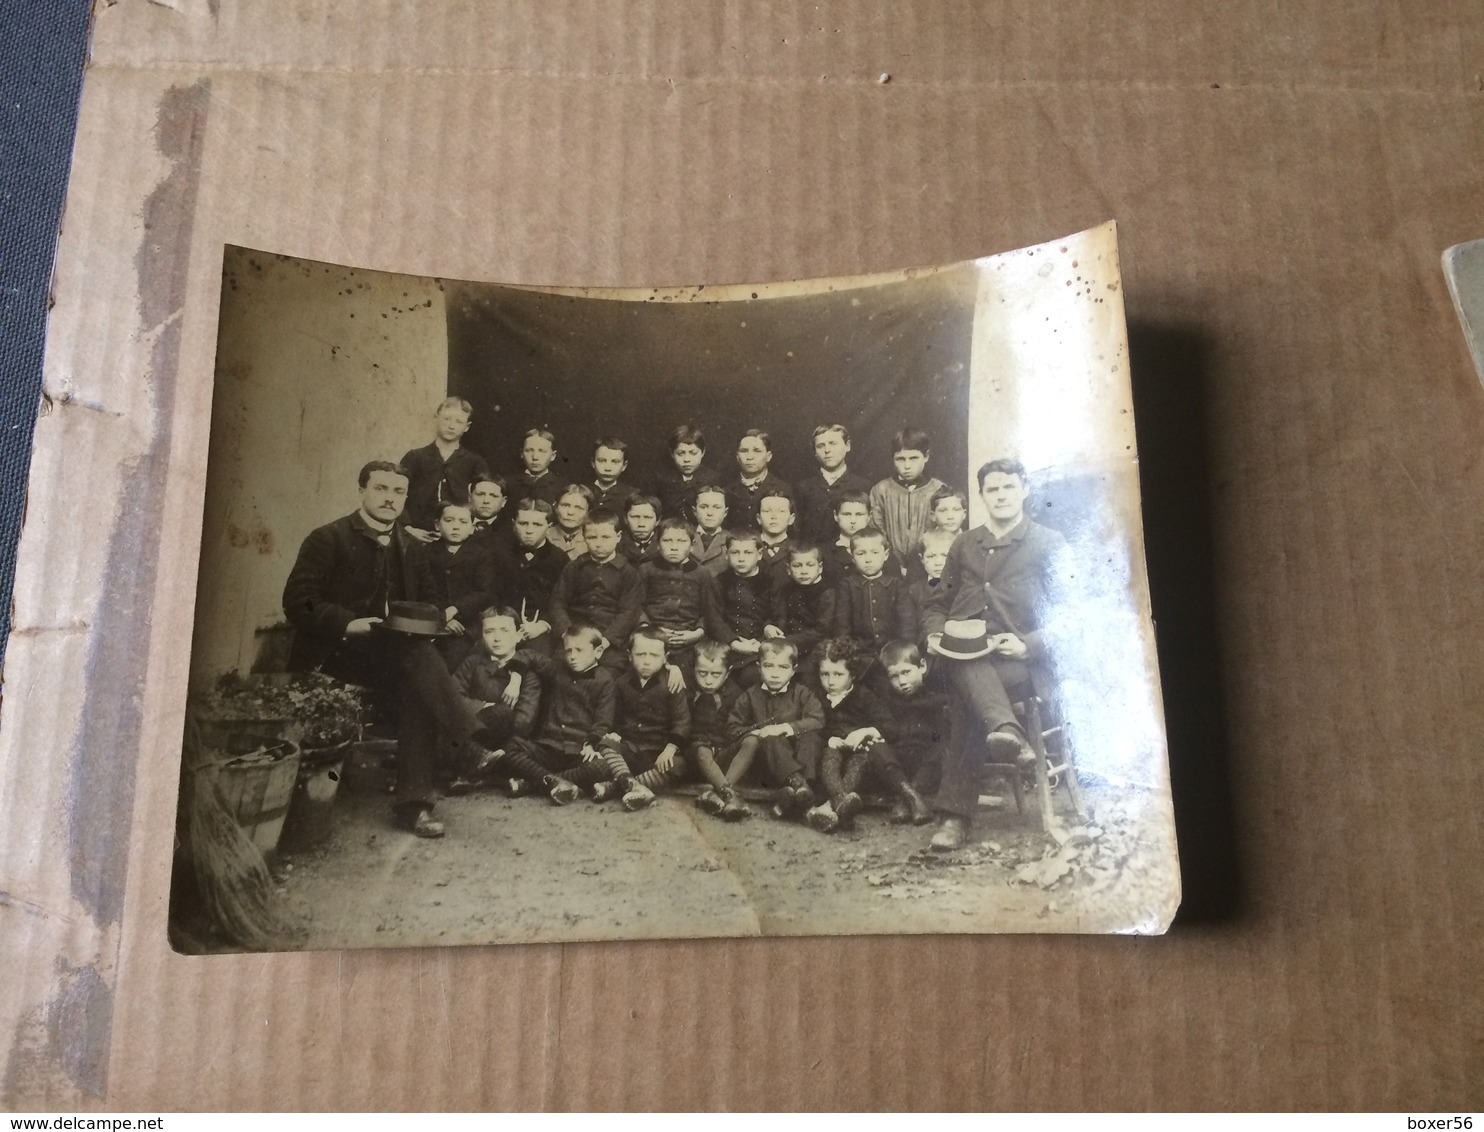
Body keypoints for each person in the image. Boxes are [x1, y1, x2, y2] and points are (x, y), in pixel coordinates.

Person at [281, 460, 492, 839]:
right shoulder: (328, 538)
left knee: (419, 677)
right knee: (420, 668)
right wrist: (348, 622)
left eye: (398, 492)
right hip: (336, 649)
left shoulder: (412, 547)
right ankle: (468, 741)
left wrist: (428, 622)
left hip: (389, 654)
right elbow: (298, 601)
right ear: (361, 491)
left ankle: (414, 808)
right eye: (381, 489)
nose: (389, 499)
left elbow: (429, 600)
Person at [923, 458, 1069, 851]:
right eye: (992, 489)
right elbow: (937, 603)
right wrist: (935, 635)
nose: (1001, 495)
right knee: (966, 668)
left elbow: (1074, 615)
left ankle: (954, 819)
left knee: (966, 691)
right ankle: (1005, 730)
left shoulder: (1048, 542)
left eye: (1008, 487)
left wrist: (1029, 644)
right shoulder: (965, 543)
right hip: (959, 650)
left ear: (1024, 490)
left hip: (1019, 661)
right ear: (982, 496)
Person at [806, 639, 932, 833]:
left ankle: (833, 807)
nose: (831, 681)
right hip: (834, 752)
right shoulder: (818, 698)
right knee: (829, 757)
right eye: (825, 674)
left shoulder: (864, 696)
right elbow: (816, 726)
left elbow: (889, 727)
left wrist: (865, 732)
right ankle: (841, 801)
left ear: (853, 674)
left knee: (863, 758)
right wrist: (831, 740)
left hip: (862, 755)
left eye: (838, 674)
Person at [499, 623, 631, 805]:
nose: (572, 656)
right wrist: (516, 678)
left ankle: (534, 783)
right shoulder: (557, 669)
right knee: (511, 746)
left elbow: (603, 720)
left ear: (598, 651)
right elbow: (526, 654)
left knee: (602, 766)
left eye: (579, 650)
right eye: (568, 651)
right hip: (548, 746)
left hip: (577, 750)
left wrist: (591, 744)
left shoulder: (605, 681)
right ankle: (554, 781)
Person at [724, 638, 824, 819]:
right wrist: (754, 732)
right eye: (769, 666)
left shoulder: (802, 693)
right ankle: (800, 789)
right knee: (769, 736)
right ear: (759, 667)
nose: (775, 674)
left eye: (783, 667)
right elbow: (732, 727)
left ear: (793, 670)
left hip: (800, 762)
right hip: (767, 769)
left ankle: (793, 794)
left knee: (811, 736)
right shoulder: (750, 695)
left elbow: (818, 720)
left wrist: (786, 727)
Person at [446, 606, 544, 789]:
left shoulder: (528, 676)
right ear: (482, 636)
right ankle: (473, 764)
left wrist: (492, 713)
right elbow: (451, 696)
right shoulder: (473, 663)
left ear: (518, 635)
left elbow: (523, 722)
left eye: (505, 631)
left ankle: (468, 768)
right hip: (467, 726)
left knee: (503, 713)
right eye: (489, 631)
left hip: (501, 739)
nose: (497, 638)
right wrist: (483, 706)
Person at [594, 627, 692, 804]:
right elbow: (614, 716)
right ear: (630, 656)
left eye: (654, 656)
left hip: (657, 751)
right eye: (640, 654)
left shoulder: (672, 682)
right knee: (604, 743)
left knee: (679, 765)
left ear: (665, 658)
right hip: (630, 749)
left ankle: (617, 787)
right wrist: (614, 733)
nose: (647, 661)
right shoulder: (621, 683)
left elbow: (682, 722)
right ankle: (632, 785)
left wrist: (669, 749)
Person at [548, 508, 643, 669]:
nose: (598, 543)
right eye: (592, 537)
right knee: (557, 670)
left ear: (618, 537)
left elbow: (628, 613)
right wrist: (566, 634)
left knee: (611, 672)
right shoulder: (574, 567)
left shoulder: (628, 572)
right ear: (584, 537)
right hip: (574, 637)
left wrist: (605, 641)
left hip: (608, 642)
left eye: (605, 537)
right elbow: (558, 602)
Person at [638, 516, 727, 670]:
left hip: (689, 640)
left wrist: (698, 632)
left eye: (681, 541)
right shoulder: (646, 570)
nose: (674, 547)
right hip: (652, 636)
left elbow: (711, 610)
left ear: (692, 546)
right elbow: (636, 605)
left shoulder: (702, 574)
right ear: (658, 545)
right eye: (667, 541)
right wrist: (648, 628)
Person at [419, 501, 499, 671]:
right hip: (433, 619)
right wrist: (442, 616)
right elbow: (425, 588)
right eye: (449, 520)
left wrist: (454, 610)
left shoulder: (481, 554)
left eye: (463, 522)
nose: (456, 527)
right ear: (437, 525)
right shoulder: (426, 552)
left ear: (472, 528)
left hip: (466, 625)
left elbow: (484, 592)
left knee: (455, 658)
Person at [877, 639, 959, 807]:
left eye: (906, 672)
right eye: (894, 676)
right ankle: (908, 794)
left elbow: (939, 738)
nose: (901, 681)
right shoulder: (890, 703)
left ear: (922, 666)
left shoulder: (934, 702)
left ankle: (911, 795)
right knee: (876, 745)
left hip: (926, 765)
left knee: (941, 745)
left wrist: (932, 738)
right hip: (898, 767)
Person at [399, 397, 490, 539]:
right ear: (437, 418)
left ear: (467, 426)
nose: (451, 426)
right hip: (416, 533)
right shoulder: (415, 457)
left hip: (458, 537)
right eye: (447, 419)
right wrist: (408, 528)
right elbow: (398, 493)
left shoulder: (475, 462)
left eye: (458, 421)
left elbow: (482, 501)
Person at [492, 497, 569, 654]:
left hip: (540, 628)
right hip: (501, 625)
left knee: (539, 660)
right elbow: (490, 594)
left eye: (537, 525)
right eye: (523, 524)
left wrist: (544, 624)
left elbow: (563, 600)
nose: (529, 530)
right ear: (514, 524)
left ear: (549, 527)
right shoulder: (499, 554)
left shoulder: (559, 559)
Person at [832, 526, 916, 663]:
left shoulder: (896, 585)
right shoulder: (847, 585)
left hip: (892, 654)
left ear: (886, 555)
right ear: (852, 557)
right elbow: (842, 627)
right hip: (859, 654)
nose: (868, 559)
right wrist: (847, 654)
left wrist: (901, 651)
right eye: (861, 553)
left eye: (875, 552)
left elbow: (907, 625)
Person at [688, 640, 750, 821]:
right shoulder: (687, 691)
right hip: (697, 756)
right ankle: (730, 795)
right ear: (694, 670)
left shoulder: (736, 694)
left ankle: (716, 793)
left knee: (751, 740)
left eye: (716, 674)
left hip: (723, 755)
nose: (708, 680)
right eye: (702, 673)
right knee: (701, 749)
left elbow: (735, 727)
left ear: (728, 673)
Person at [868, 427, 947, 562]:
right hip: (890, 566)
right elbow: (876, 532)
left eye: (914, 458)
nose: (907, 465)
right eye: (900, 459)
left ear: (926, 456)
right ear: (893, 458)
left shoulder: (939, 489)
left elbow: (945, 531)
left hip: (929, 564)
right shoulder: (881, 490)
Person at [794, 424, 872, 543]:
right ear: (815, 452)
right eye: (820, 446)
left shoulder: (864, 486)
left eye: (833, 443)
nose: (827, 450)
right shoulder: (803, 488)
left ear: (847, 446)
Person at [714, 527, 773, 685]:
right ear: (727, 554)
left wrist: (764, 637)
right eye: (735, 553)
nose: (741, 559)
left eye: (748, 553)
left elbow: (777, 615)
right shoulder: (720, 581)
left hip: (759, 646)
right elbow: (715, 619)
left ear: (759, 555)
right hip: (728, 644)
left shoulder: (770, 582)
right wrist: (733, 642)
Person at [764, 541, 835, 664]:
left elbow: (822, 631)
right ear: (788, 569)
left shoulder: (827, 592)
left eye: (810, 565)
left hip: (815, 649)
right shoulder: (786, 589)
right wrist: (768, 626)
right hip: (784, 646)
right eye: (797, 565)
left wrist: (788, 640)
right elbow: (775, 614)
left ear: (820, 568)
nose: (803, 571)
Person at [653, 423, 720, 519]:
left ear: (703, 452)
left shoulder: (712, 479)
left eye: (693, 453)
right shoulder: (662, 479)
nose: (687, 459)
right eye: (681, 453)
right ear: (672, 453)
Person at [724, 429, 791, 522]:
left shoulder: (784, 489)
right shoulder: (726, 492)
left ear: (768, 456)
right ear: (737, 457)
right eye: (744, 451)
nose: (750, 457)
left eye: (757, 451)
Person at [510, 428, 566, 508]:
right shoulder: (508, 484)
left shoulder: (563, 487)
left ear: (553, 456)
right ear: (521, 453)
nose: (535, 457)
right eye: (529, 450)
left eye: (542, 451)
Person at [754, 488, 796, 580]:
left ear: (791, 519)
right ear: (758, 518)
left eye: (781, 511)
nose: (774, 516)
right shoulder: (749, 548)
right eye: (767, 511)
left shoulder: (797, 550)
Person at [590, 437, 639, 514]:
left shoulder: (633, 495)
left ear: (624, 466)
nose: (608, 468)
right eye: (602, 461)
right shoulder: (581, 491)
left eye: (615, 462)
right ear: (593, 463)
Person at [689, 485, 731, 575]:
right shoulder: (685, 537)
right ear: (694, 511)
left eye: (717, 507)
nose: (710, 513)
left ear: (725, 512)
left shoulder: (731, 540)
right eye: (703, 507)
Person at [547, 483, 594, 559]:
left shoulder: (593, 540)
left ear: (588, 512)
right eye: (565, 505)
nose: (570, 513)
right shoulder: (545, 535)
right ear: (556, 507)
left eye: (579, 508)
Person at [467, 475, 511, 548]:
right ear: (469, 497)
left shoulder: (509, 531)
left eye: (494, 496)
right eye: (480, 494)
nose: (486, 501)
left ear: (504, 501)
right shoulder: (457, 524)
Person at [619, 493, 663, 566]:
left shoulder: (666, 544)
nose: (641, 524)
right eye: (635, 517)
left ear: (658, 521)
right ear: (625, 519)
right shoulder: (617, 544)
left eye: (647, 517)